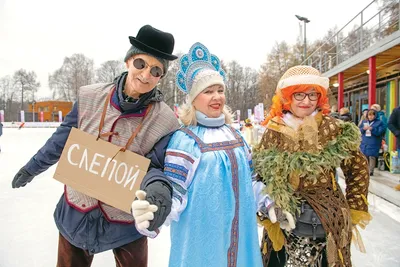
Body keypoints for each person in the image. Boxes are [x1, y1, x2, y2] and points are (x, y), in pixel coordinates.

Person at [11, 24, 180, 267]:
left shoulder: (166, 120)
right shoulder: (90, 96)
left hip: (125, 221)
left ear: (161, 77)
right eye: (141, 64)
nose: (145, 75)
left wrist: (159, 188)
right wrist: (32, 167)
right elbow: (62, 140)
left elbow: (156, 166)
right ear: (129, 61)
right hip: (77, 211)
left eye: (156, 71)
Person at [132, 42, 263, 267]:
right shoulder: (185, 140)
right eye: (208, 91)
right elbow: (174, 193)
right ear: (194, 99)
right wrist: (153, 213)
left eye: (220, 90)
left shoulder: (237, 135)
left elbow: (251, 181)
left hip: (241, 241)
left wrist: (270, 204)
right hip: (202, 245)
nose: (217, 97)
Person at [253, 65, 371, 267]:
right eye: (299, 95)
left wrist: (353, 208)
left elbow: (358, 167)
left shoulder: (333, 127)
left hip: (327, 220)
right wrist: (270, 203)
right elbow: (261, 174)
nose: (306, 101)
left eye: (312, 95)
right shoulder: (274, 130)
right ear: (287, 97)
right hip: (284, 220)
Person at [360, 109, 387, 176]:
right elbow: (359, 131)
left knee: (372, 156)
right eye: (369, 115)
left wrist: (372, 129)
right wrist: (363, 129)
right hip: (365, 141)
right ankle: (364, 170)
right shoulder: (364, 122)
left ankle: (371, 171)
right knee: (364, 156)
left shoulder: (379, 122)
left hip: (374, 141)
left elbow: (379, 132)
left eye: (372, 115)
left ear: (375, 115)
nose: (370, 117)